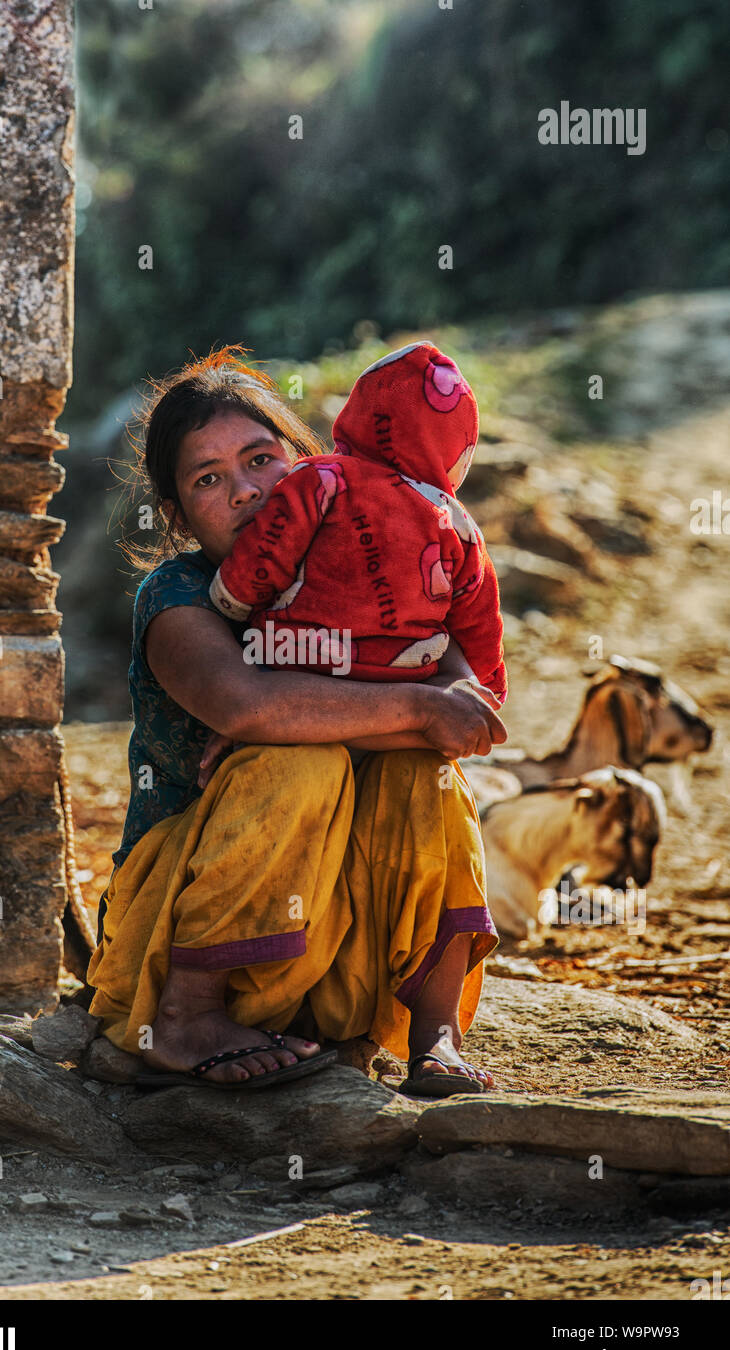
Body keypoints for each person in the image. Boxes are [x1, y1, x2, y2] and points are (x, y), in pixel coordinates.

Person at [86, 345, 508, 1096]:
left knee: (425, 777)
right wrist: (411, 709)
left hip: (341, 947)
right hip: (180, 935)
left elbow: (468, 713)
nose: (246, 492)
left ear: (309, 465)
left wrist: (343, 716)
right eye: (209, 480)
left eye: (260, 460)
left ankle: (434, 1034)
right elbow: (245, 705)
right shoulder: (177, 598)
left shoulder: (383, 566)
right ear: (178, 515)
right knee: (295, 763)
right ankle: (187, 1018)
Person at [209, 341, 506, 699]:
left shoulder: (324, 477)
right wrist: (488, 689)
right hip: (407, 677)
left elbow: (272, 544)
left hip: (300, 664)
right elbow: (480, 622)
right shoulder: (459, 526)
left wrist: (233, 596)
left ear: (358, 413)